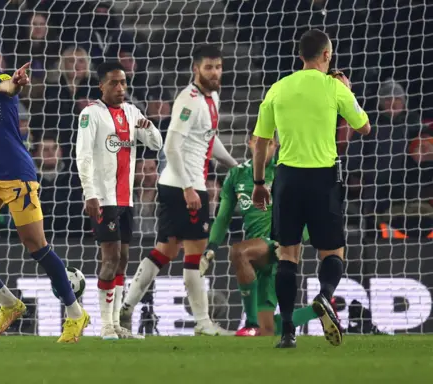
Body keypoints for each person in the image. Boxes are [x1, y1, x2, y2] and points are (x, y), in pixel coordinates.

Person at [0, 35, 89, 343]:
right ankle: (9, 303)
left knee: (36, 245)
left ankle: (76, 314)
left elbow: (9, 87)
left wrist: (17, 82)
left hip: (16, 176)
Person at [251, 29, 371, 348]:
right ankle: (324, 296)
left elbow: (260, 141)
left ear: (300, 56)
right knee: (332, 252)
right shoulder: (335, 87)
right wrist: (349, 90)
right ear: (327, 55)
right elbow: (364, 126)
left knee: (287, 254)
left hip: (288, 179)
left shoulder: (278, 88)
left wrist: (260, 182)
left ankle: (288, 331)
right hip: (323, 179)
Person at [120, 45, 238, 336]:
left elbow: (208, 140)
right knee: (195, 254)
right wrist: (188, 188)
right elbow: (171, 145)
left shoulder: (212, 99)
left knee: (165, 250)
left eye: (218, 67)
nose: (215, 72)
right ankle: (203, 322)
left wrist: (234, 165)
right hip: (185, 184)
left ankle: (126, 306)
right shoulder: (189, 100)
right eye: (209, 67)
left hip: (178, 184)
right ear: (196, 69)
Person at [204, 134, 334, 337]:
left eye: (269, 143)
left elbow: (308, 214)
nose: (263, 148)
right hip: (258, 258)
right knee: (268, 331)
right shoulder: (236, 175)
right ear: (250, 143)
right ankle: (317, 309)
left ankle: (250, 323)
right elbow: (222, 217)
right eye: (258, 142)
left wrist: (290, 242)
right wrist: (211, 247)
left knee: (238, 252)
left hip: (279, 247)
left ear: (276, 146)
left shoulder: (287, 172)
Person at [76, 62, 163, 340]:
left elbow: (156, 145)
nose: (121, 88)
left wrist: (148, 129)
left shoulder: (132, 111)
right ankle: (105, 325)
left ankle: (117, 324)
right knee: (110, 257)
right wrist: (89, 192)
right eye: (114, 83)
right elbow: (83, 155)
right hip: (104, 198)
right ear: (101, 85)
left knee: (124, 258)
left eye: (123, 83)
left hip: (126, 200)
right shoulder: (91, 114)